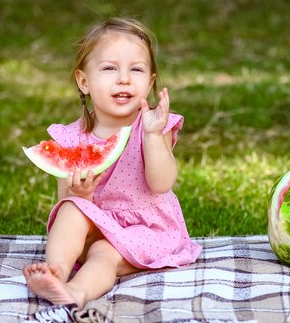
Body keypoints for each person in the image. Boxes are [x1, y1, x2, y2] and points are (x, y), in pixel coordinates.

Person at [23, 17, 202, 308]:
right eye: (109, 68)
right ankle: (55, 270)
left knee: (104, 253)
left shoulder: (154, 127)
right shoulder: (70, 138)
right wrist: (81, 196)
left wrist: (154, 136)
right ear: (84, 82)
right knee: (71, 209)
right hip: (95, 228)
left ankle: (76, 293)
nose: (124, 78)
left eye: (137, 69)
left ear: (151, 82)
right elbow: (65, 203)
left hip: (147, 231)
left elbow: (162, 183)